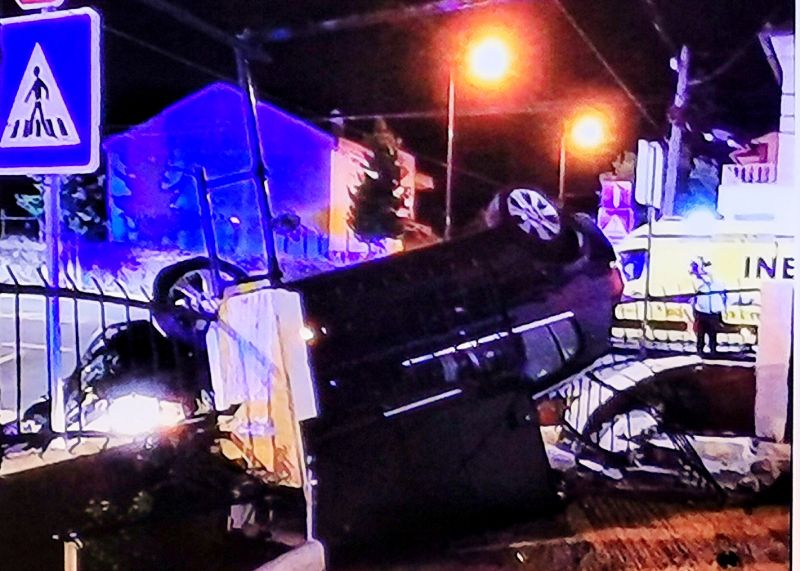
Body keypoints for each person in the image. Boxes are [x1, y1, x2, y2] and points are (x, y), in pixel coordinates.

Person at [689, 258, 728, 355]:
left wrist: (722, 308)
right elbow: (694, 294)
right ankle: (700, 350)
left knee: (712, 333)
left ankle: (713, 350)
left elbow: (722, 293)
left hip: (713, 311)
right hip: (701, 311)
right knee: (701, 333)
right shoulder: (696, 280)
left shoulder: (716, 280)